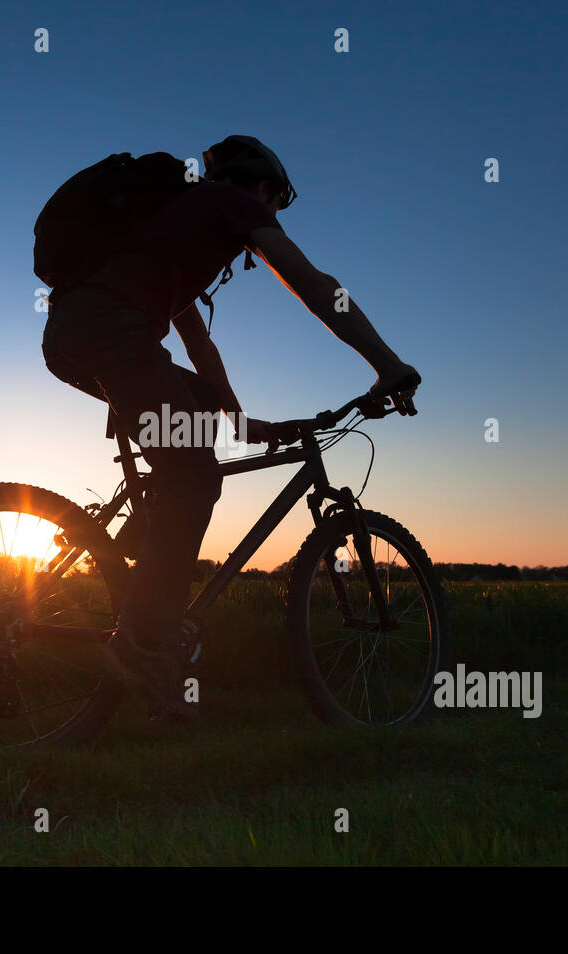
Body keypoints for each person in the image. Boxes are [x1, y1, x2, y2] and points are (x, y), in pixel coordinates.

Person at [41, 135, 420, 717]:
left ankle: (133, 555)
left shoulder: (171, 227)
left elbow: (197, 343)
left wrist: (240, 419)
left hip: (73, 336)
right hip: (111, 335)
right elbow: (317, 286)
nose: (271, 219)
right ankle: (144, 650)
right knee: (194, 476)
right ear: (263, 188)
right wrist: (387, 364)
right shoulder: (231, 204)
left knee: (190, 432)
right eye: (275, 205)